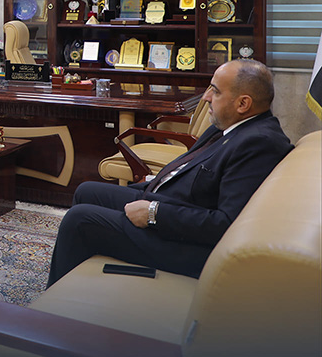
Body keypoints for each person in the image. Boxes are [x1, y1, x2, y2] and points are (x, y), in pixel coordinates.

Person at [47, 58, 292, 287]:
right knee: (87, 191)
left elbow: (225, 224)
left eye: (215, 91)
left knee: (79, 220)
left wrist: (153, 213)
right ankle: (80, 281)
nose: (206, 97)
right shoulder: (230, 127)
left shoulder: (259, 144)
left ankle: (53, 309)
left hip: (185, 244)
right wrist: (147, 191)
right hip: (172, 202)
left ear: (243, 104)